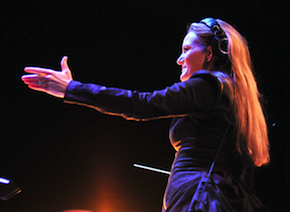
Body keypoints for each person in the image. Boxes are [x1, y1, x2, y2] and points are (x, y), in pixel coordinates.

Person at [22, 17, 270, 212]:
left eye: (186, 49)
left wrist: (72, 89)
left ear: (210, 53)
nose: (179, 58)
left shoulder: (209, 84)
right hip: (221, 197)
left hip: (195, 194)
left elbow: (143, 104)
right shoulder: (240, 100)